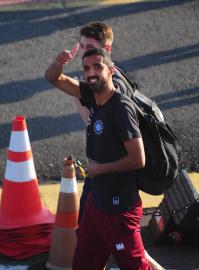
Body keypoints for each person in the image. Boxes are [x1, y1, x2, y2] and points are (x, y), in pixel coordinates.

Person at [45, 47, 152, 269]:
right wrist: (60, 61)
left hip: (119, 209)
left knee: (134, 265)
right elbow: (53, 78)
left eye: (97, 66)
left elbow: (137, 159)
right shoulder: (92, 95)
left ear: (111, 70)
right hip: (97, 202)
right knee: (84, 262)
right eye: (86, 68)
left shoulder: (121, 108)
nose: (90, 72)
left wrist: (99, 169)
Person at [72, 22, 165, 270]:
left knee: (130, 256)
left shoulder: (116, 95)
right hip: (99, 192)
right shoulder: (94, 83)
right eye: (82, 47)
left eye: (90, 47)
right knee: (91, 248)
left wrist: (99, 169)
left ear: (107, 50)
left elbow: (135, 157)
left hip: (115, 194)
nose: (84, 52)